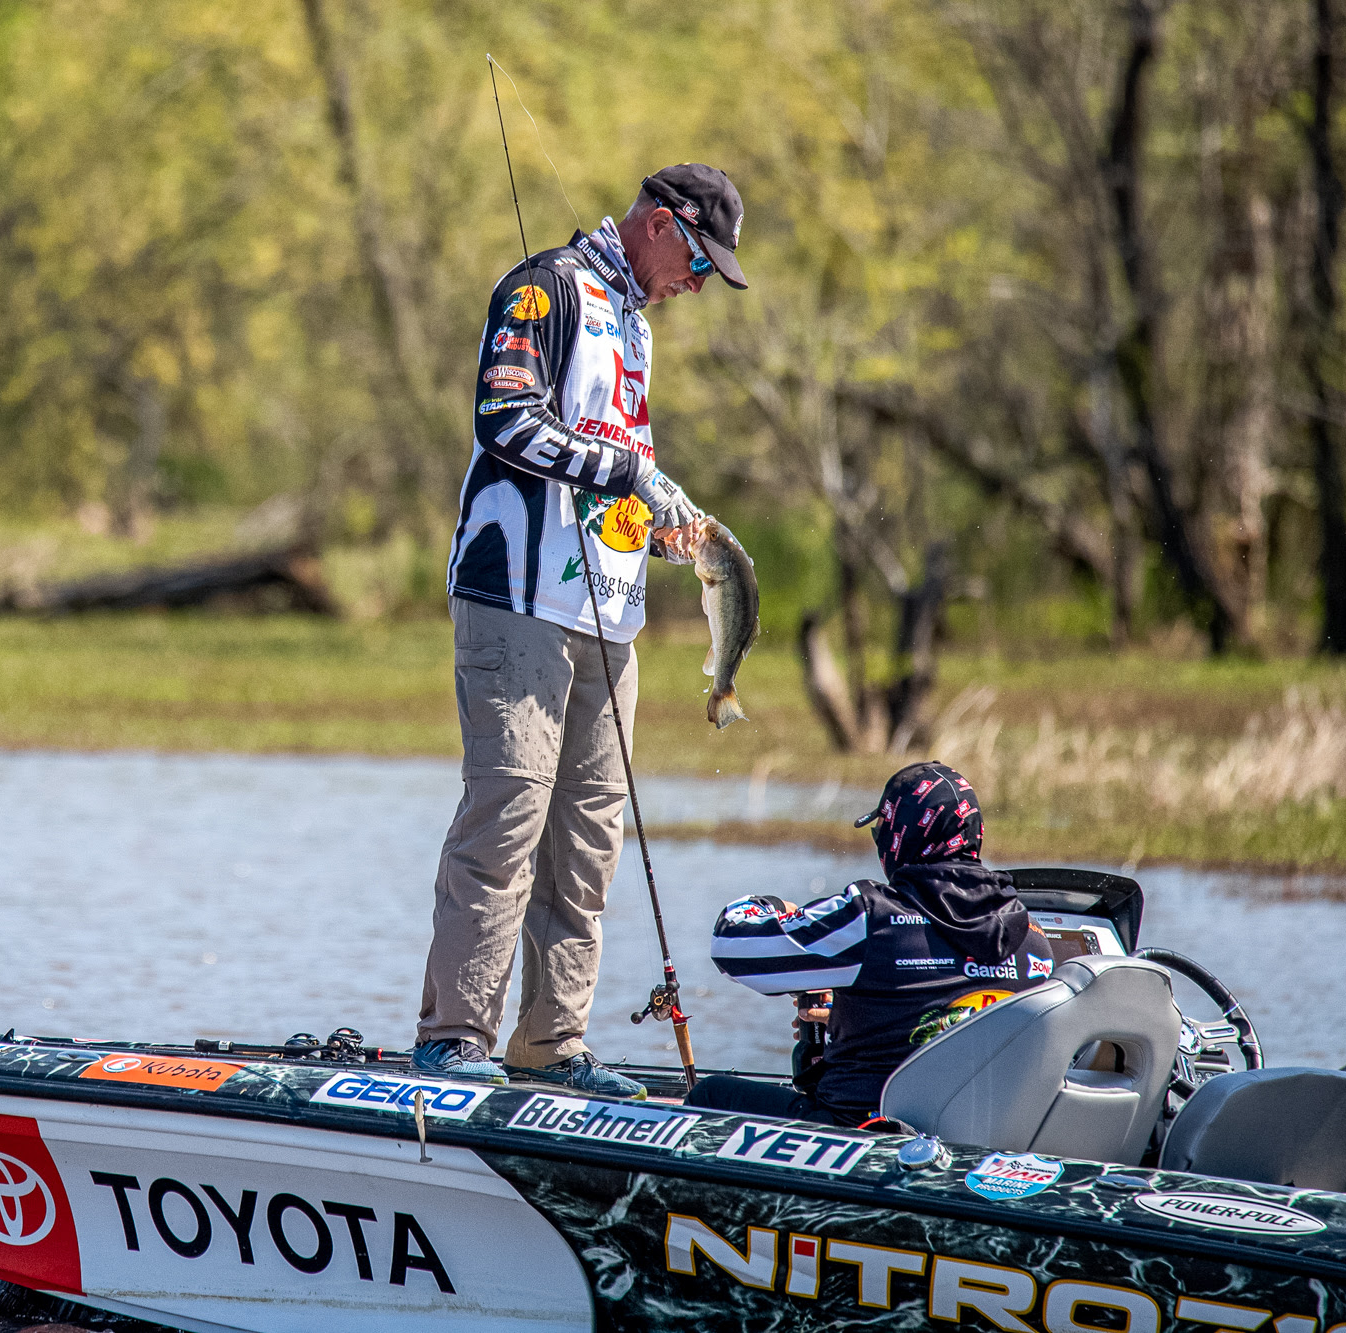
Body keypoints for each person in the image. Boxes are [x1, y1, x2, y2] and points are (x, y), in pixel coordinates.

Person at [412, 165, 749, 1096]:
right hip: (515, 599)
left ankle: (551, 1043)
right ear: (657, 222)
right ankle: (454, 1040)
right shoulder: (545, 285)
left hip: (609, 611)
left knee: (590, 837)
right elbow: (505, 418)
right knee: (507, 815)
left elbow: (617, 455)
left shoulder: (634, 320)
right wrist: (623, 472)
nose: (698, 283)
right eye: (698, 261)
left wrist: (664, 509)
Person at [694, 761, 1055, 1125]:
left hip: (863, 1137)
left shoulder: (872, 917)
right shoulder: (1033, 937)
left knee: (710, 1095)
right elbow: (954, 1008)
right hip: (977, 1136)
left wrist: (777, 909)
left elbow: (731, 945)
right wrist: (854, 1012)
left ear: (903, 835)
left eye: (882, 829)